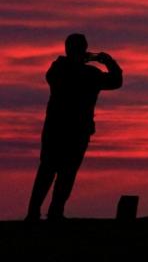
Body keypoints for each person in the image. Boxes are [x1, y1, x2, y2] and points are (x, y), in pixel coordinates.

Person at [25, 34, 123, 221]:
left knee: (62, 172)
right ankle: (38, 213)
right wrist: (108, 62)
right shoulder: (71, 71)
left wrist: (106, 62)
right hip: (64, 130)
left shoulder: (74, 71)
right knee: (53, 171)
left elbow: (116, 82)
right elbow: (115, 81)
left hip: (69, 130)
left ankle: (51, 212)